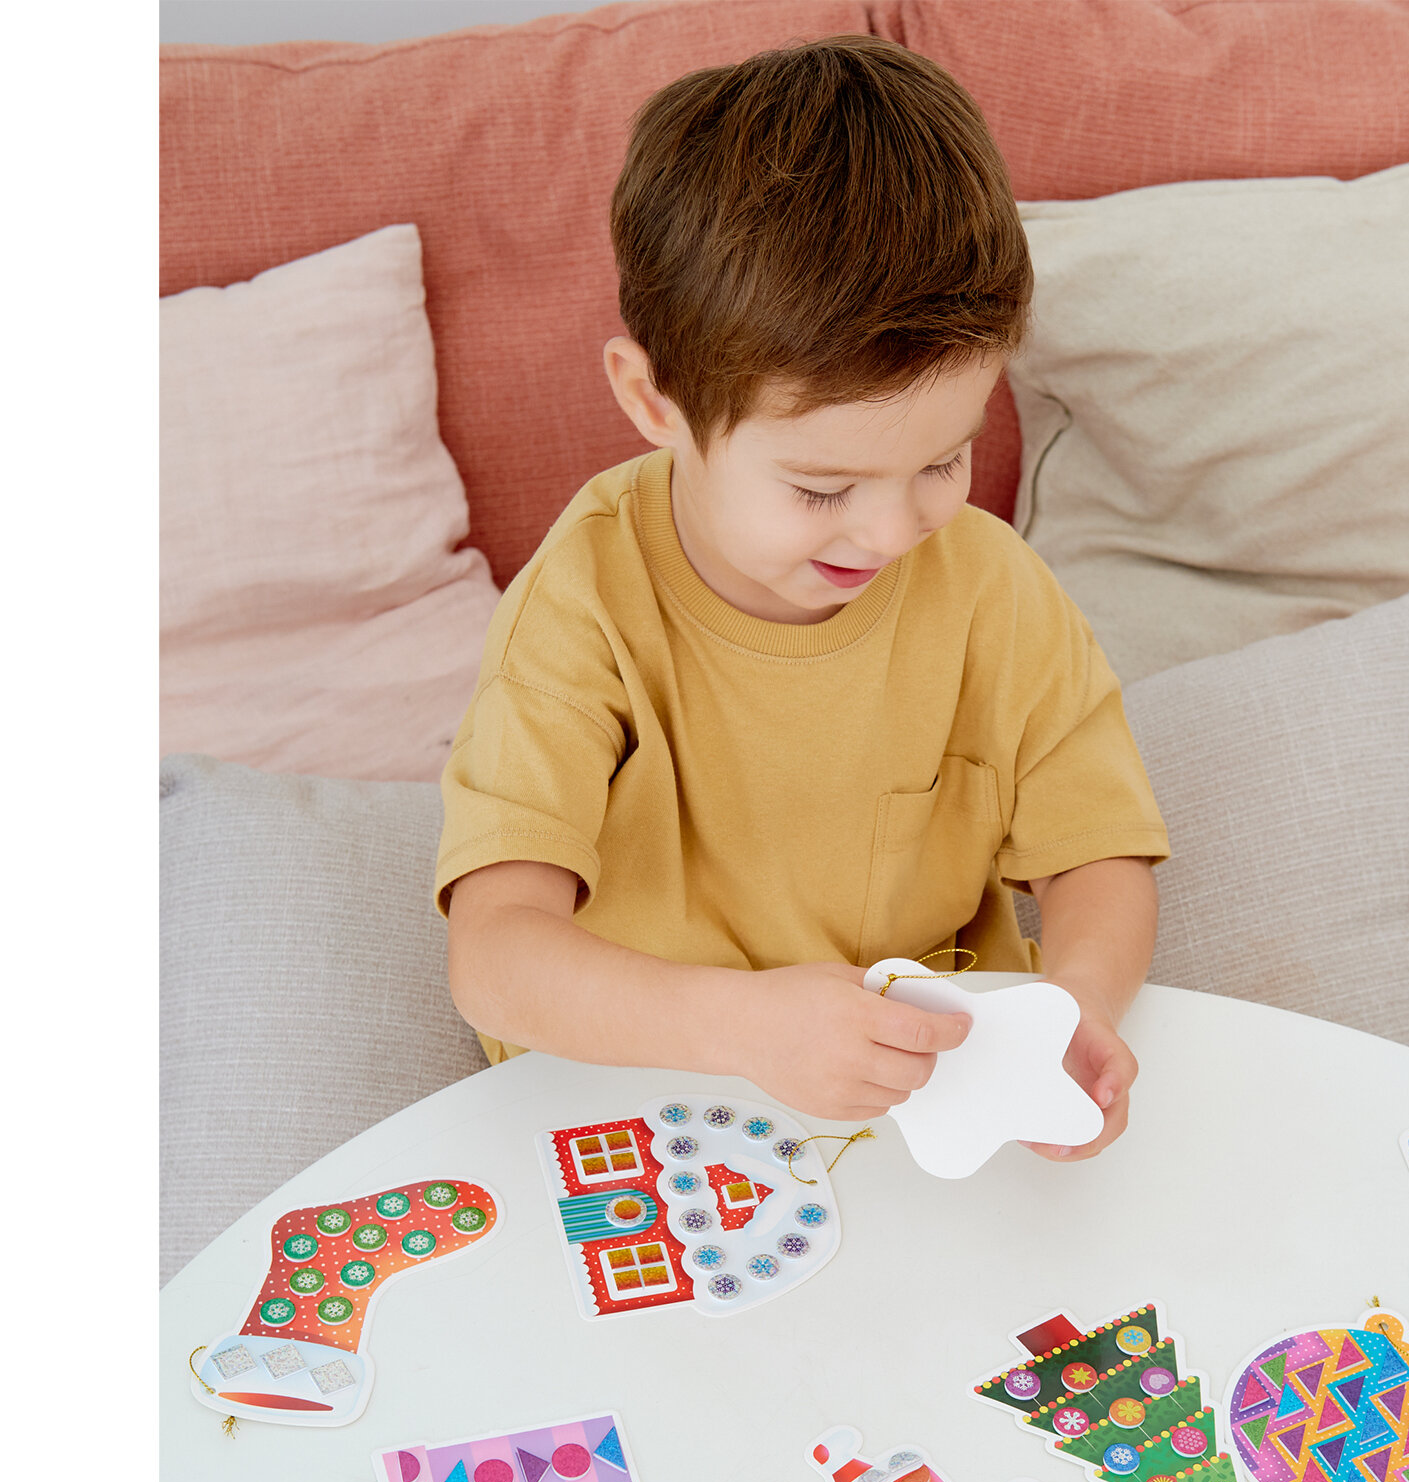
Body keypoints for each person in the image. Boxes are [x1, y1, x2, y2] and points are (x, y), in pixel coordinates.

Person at [436, 36, 1169, 1160]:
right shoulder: (585, 605)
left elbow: (1095, 851)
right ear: (655, 401)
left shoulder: (988, 585)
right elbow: (495, 957)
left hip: (920, 1109)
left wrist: (1077, 1004)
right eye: (822, 488)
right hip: (651, 1104)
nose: (891, 532)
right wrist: (742, 1027)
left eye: (942, 460)